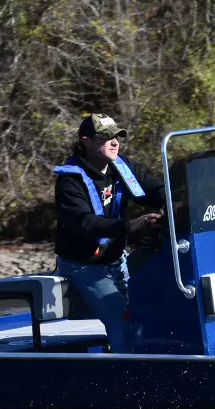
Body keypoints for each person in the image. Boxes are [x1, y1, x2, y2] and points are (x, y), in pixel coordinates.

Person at [54, 113, 163, 352]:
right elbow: (84, 223)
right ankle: (128, 379)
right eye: (106, 137)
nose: (115, 142)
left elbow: (152, 187)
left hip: (116, 260)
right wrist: (129, 226)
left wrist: (177, 202)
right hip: (84, 265)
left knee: (145, 314)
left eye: (117, 136)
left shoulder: (121, 167)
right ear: (86, 141)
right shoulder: (69, 180)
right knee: (122, 319)